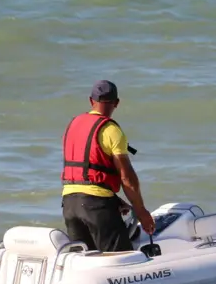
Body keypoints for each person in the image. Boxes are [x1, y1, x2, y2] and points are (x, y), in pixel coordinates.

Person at [61, 80, 155, 252]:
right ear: (116, 103)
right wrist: (141, 212)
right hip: (96, 207)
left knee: (85, 261)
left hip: (69, 204)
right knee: (120, 260)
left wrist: (114, 200)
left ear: (91, 101)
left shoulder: (72, 125)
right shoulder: (111, 130)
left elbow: (84, 174)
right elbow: (127, 177)